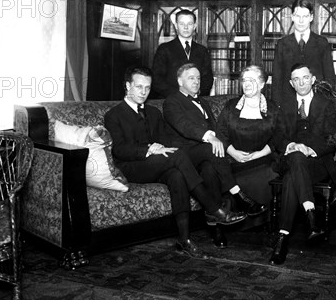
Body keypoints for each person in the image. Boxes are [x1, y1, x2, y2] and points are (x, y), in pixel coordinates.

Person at [104, 66, 245, 258]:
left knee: (177, 175)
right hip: (131, 166)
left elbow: (166, 141)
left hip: (156, 163)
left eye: (147, 87)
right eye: (139, 87)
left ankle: (184, 240)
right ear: (128, 86)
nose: (144, 92)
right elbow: (119, 149)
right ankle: (213, 208)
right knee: (178, 156)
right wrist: (148, 149)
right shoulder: (113, 114)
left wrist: (161, 148)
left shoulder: (154, 112)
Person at [163, 63, 267, 221]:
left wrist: (231, 149)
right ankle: (237, 194)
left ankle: (217, 224)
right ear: (179, 81)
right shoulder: (172, 102)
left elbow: (217, 130)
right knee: (210, 149)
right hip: (183, 156)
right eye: (191, 78)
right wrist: (209, 137)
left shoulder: (203, 102)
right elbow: (184, 126)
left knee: (209, 170)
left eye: (198, 78)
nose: (196, 81)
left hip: (204, 156)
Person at [269, 63, 336, 265]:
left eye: (305, 78)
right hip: (291, 158)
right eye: (296, 79)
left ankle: (282, 239)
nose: (301, 83)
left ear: (313, 79)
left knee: (293, 175)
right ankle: (312, 216)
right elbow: (277, 136)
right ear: (291, 83)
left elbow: (333, 138)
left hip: (317, 163)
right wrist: (292, 145)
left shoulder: (325, 104)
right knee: (296, 159)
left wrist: (310, 149)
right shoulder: (284, 105)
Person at [216, 65, 284, 211]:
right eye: (244, 80)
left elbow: (279, 137)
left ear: (262, 84)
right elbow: (220, 133)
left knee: (266, 176)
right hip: (233, 160)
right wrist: (233, 152)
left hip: (263, 159)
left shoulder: (273, 109)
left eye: (251, 80)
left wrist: (258, 154)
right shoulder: (230, 106)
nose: (246, 84)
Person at [271, 0, 336, 102]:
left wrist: (329, 105)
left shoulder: (322, 43)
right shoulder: (282, 44)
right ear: (292, 17)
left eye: (305, 16)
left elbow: (329, 77)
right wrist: (277, 106)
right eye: (297, 16)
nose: (301, 21)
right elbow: (277, 79)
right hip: (289, 104)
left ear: (311, 17)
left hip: (317, 104)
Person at [152, 9, 214, 98]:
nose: (186, 27)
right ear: (176, 25)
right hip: (171, 99)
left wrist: (195, 94)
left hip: (196, 100)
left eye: (189, 24)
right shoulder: (164, 49)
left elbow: (207, 79)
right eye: (182, 24)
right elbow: (157, 79)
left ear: (195, 26)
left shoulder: (202, 50)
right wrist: (180, 95)